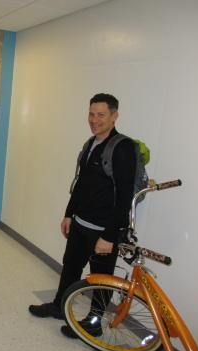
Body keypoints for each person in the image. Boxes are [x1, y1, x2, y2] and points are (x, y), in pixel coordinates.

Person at [28, 93, 136, 338]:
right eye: (91, 114)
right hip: (80, 223)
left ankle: (94, 322)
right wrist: (69, 214)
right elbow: (80, 185)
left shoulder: (122, 148)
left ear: (114, 116)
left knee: (101, 280)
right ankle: (59, 306)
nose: (94, 120)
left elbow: (125, 197)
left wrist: (109, 235)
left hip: (103, 230)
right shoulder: (91, 144)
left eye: (101, 115)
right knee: (70, 268)